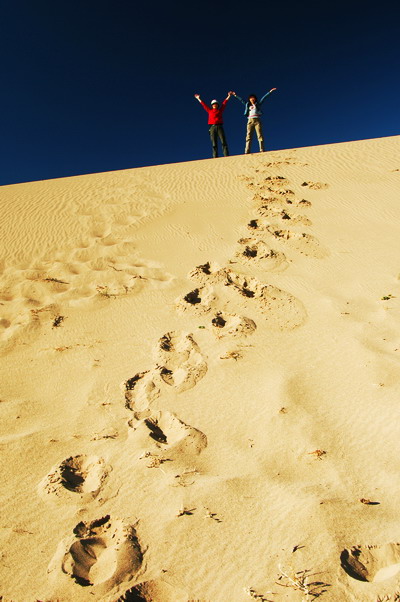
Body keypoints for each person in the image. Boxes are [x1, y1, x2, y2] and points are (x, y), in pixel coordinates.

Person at [233, 88, 277, 153]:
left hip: (257, 120)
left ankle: (262, 149)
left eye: (253, 98)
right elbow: (241, 100)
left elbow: (264, 98)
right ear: (249, 99)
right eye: (251, 98)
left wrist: (270, 92)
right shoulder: (247, 105)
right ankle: (247, 150)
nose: (252, 99)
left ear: (255, 99)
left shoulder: (257, 104)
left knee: (259, 135)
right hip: (250, 121)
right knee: (248, 136)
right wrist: (235, 95)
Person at [194, 92, 234, 158]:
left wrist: (228, 96)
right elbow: (204, 105)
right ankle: (215, 157)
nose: (214, 105)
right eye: (213, 104)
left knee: (223, 141)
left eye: (216, 104)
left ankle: (226, 156)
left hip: (219, 126)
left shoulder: (220, 111)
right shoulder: (209, 111)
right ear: (212, 105)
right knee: (214, 143)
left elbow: (224, 104)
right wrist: (198, 98)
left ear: (217, 105)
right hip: (212, 127)